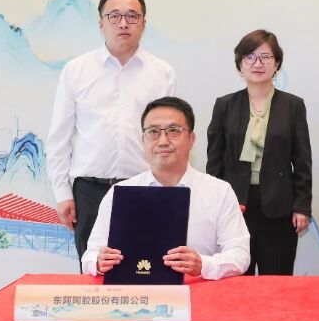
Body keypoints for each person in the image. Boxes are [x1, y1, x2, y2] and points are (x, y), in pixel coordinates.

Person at [46, 0, 176, 259]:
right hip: (89, 191)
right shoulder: (77, 70)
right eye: (114, 16)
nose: (123, 23)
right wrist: (62, 193)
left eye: (132, 16)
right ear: (101, 23)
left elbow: (170, 138)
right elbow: (59, 138)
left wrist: (168, 189)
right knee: (93, 271)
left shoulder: (162, 73)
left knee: (145, 267)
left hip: (145, 187)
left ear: (143, 23)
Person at [82, 97, 250, 280]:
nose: (163, 141)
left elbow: (240, 254)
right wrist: (98, 262)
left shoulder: (219, 191)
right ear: (143, 140)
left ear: (191, 139)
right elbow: (90, 255)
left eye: (173, 131)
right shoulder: (120, 192)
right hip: (135, 294)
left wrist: (203, 264)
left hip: (199, 291)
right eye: (153, 132)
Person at [206, 30, 313, 275]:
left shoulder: (293, 105)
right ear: (240, 64)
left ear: (276, 64)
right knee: (236, 277)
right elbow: (214, 161)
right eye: (250, 57)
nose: (257, 64)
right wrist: (214, 205)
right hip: (235, 204)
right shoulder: (225, 105)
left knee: (276, 278)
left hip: (279, 206)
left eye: (265, 57)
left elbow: (302, 161)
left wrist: (302, 207)